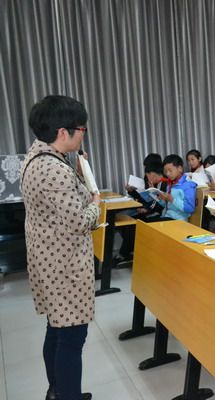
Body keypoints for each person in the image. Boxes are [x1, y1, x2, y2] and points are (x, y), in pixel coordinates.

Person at [21, 95, 99, 400]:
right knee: (71, 337)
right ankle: (67, 395)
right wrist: (96, 204)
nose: (83, 135)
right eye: (82, 129)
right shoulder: (53, 169)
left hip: (48, 261)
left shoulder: (37, 156)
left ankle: (58, 390)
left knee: (56, 329)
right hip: (64, 267)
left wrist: (77, 175)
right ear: (64, 132)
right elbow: (79, 221)